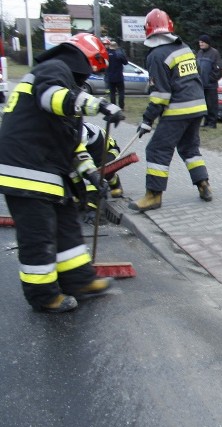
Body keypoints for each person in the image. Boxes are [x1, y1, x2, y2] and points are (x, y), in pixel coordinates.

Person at [0, 33, 125, 313]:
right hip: (26, 170)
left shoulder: (66, 87)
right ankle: (43, 296)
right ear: (84, 59)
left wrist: (93, 175)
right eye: (92, 70)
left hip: (48, 170)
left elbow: (74, 146)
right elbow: (51, 98)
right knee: (38, 235)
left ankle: (78, 280)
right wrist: (100, 105)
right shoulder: (54, 69)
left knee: (68, 224)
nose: (89, 78)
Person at [129, 8, 212, 212]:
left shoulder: (156, 55)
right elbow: (196, 75)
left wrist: (147, 120)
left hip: (178, 110)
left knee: (157, 149)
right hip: (198, 106)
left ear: (148, 30)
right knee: (189, 148)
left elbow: (161, 95)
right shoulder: (184, 48)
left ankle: (153, 196)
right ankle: (203, 184)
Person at [76, 122, 124, 224]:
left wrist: (91, 208)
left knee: (100, 172)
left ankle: (115, 182)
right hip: (90, 150)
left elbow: (91, 176)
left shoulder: (82, 134)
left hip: (109, 150)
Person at [197, 34, 222, 128]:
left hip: (210, 85)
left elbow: (218, 68)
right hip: (201, 84)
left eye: (202, 42)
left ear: (207, 43)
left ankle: (212, 123)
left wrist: (211, 79)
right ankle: (205, 122)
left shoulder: (214, 53)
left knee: (211, 104)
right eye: (200, 42)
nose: (200, 44)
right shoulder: (199, 53)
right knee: (203, 105)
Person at [104, 37, 129, 109]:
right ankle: (121, 106)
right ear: (116, 47)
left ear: (110, 46)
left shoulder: (106, 54)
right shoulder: (119, 54)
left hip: (110, 77)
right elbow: (125, 63)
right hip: (119, 77)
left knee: (112, 93)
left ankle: (113, 107)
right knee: (121, 92)